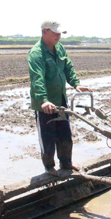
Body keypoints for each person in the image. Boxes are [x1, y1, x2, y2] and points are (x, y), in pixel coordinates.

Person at [28, 19, 92, 175]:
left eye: (60, 33)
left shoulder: (60, 48)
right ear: (44, 32)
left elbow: (68, 67)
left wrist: (75, 84)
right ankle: (49, 168)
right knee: (47, 137)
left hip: (61, 101)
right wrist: (43, 100)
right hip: (45, 105)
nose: (58, 35)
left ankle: (66, 163)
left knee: (65, 134)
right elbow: (38, 79)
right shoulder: (36, 54)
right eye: (55, 32)